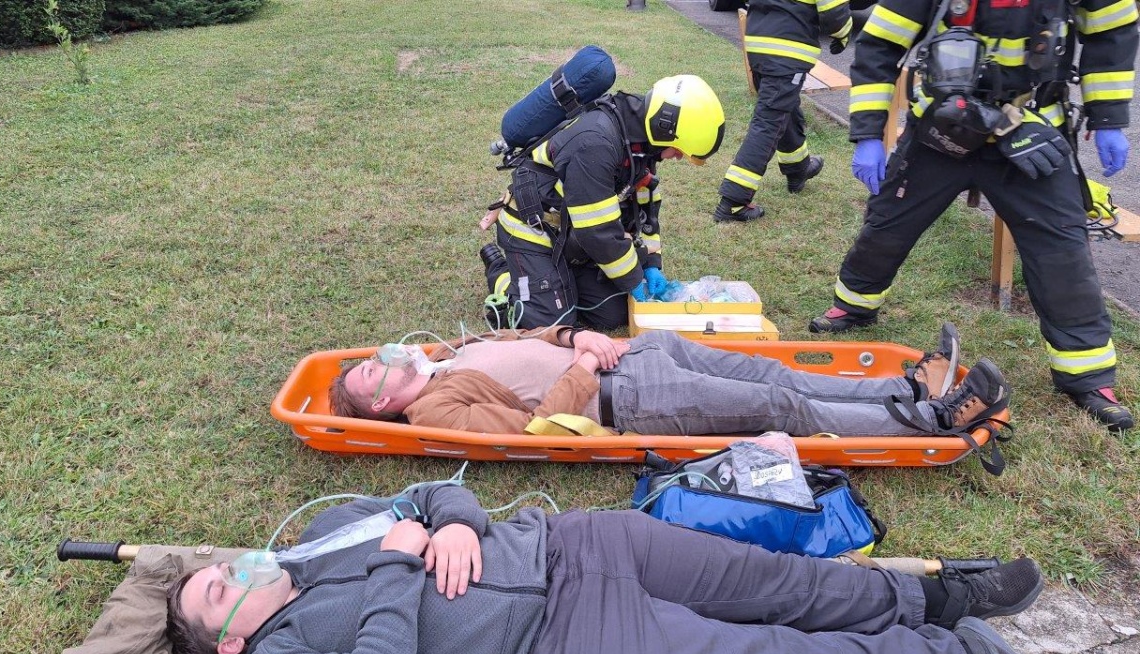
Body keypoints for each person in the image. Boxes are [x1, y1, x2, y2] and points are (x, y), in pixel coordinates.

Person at [165, 483, 1091, 654]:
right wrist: (398, 571)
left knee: (781, 581)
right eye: (215, 586)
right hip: (555, 650)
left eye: (215, 567)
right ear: (231, 637)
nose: (230, 567)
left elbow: (430, 492)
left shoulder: (325, 530)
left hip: (577, 545)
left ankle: (940, 595)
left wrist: (451, 523)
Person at [807, 0, 1136, 432]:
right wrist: (868, 132)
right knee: (888, 225)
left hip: (1030, 132)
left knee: (1063, 253)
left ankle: (1088, 376)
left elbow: (1112, 32)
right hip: (944, 128)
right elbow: (881, 44)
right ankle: (853, 305)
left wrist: (1108, 118)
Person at [328, 323, 1008, 440]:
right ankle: (931, 421)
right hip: (629, 397)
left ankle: (906, 393)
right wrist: (584, 369)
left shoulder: (440, 358)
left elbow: (525, 339)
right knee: (779, 405)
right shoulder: (434, 409)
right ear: (381, 401)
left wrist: (575, 338)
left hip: (638, 354)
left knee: (772, 372)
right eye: (370, 370)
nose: (383, 356)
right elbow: (532, 428)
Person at [479, 74, 727, 331]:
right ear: (665, 127)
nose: (677, 157)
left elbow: (645, 210)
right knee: (551, 323)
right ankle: (503, 272)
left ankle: (559, 281)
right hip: (534, 230)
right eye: (678, 149)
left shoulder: (641, 141)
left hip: (571, 235)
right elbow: (598, 231)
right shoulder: (594, 143)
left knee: (612, 312)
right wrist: (634, 279)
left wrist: (651, 264)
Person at [713, 0, 852, 222]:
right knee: (768, 123)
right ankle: (733, 202)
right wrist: (843, 33)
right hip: (787, 51)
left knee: (784, 106)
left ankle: (798, 169)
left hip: (758, 44)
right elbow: (834, 11)